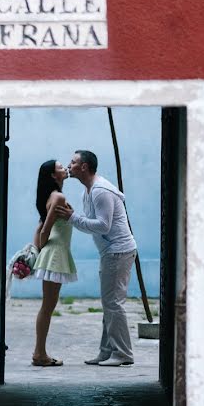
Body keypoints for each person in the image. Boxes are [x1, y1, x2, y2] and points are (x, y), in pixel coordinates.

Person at [56, 149, 138, 366]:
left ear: (84, 167)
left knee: (113, 303)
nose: (69, 165)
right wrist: (76, 217)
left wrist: (73, 218)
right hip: (112, 252)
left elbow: (103, 225)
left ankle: (123, 353)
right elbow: (93, 224)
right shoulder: (88, 191)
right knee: (109, 303)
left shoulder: (100, 191)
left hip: (118, 252)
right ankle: (107, 351)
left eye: (73, 162)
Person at [30, 160, 77, 367]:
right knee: (48, 307)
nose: (64, 167)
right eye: (59, 166)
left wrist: (39, 249)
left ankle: (40, 352)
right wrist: (41, 249)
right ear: (52, 175)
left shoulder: (53, 196)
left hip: (54, 252)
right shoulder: (58, 197)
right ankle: (39, 354)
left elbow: (40, 225)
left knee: (47, 307)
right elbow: (44, 229)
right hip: (55, 253)